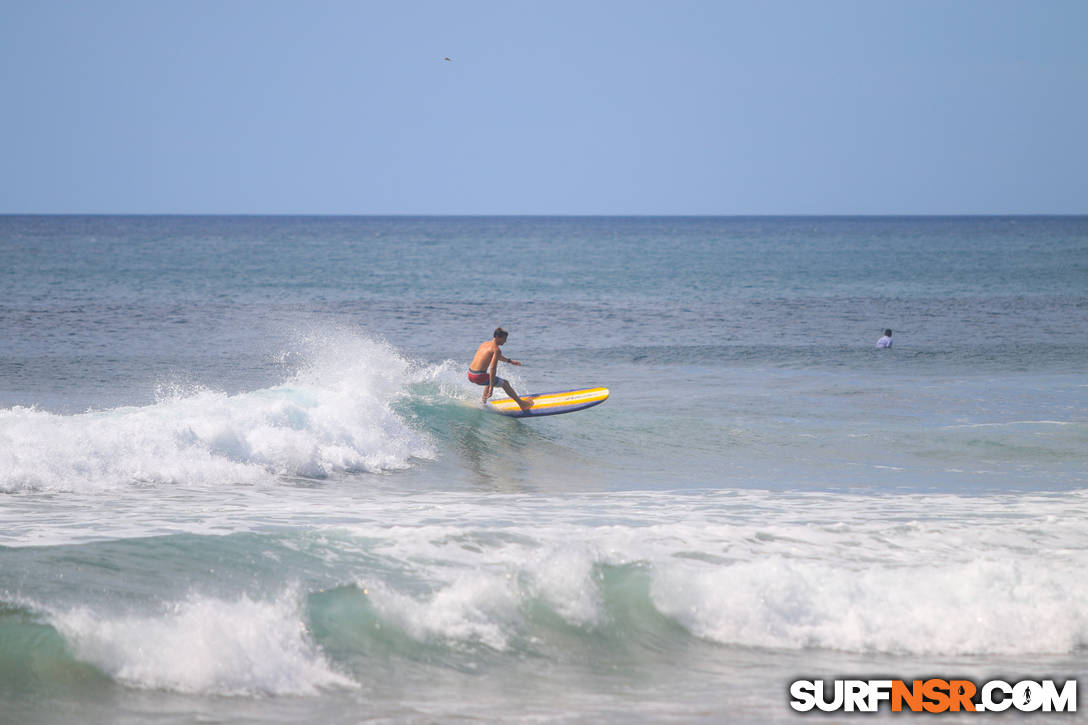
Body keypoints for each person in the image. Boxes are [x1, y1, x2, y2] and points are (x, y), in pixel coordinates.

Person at [468, 327, 533, 410]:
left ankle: (483, 402)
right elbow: (492, 368)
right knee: (505, 383)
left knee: (489, 378)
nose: (505, 341)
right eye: (504, 339)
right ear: (497, 337)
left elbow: (498, 357)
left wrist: (510, 361)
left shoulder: (484, 344)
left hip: (470, 374)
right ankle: (522, 404)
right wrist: (491, 387)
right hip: (478, 376)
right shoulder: (496, 349)